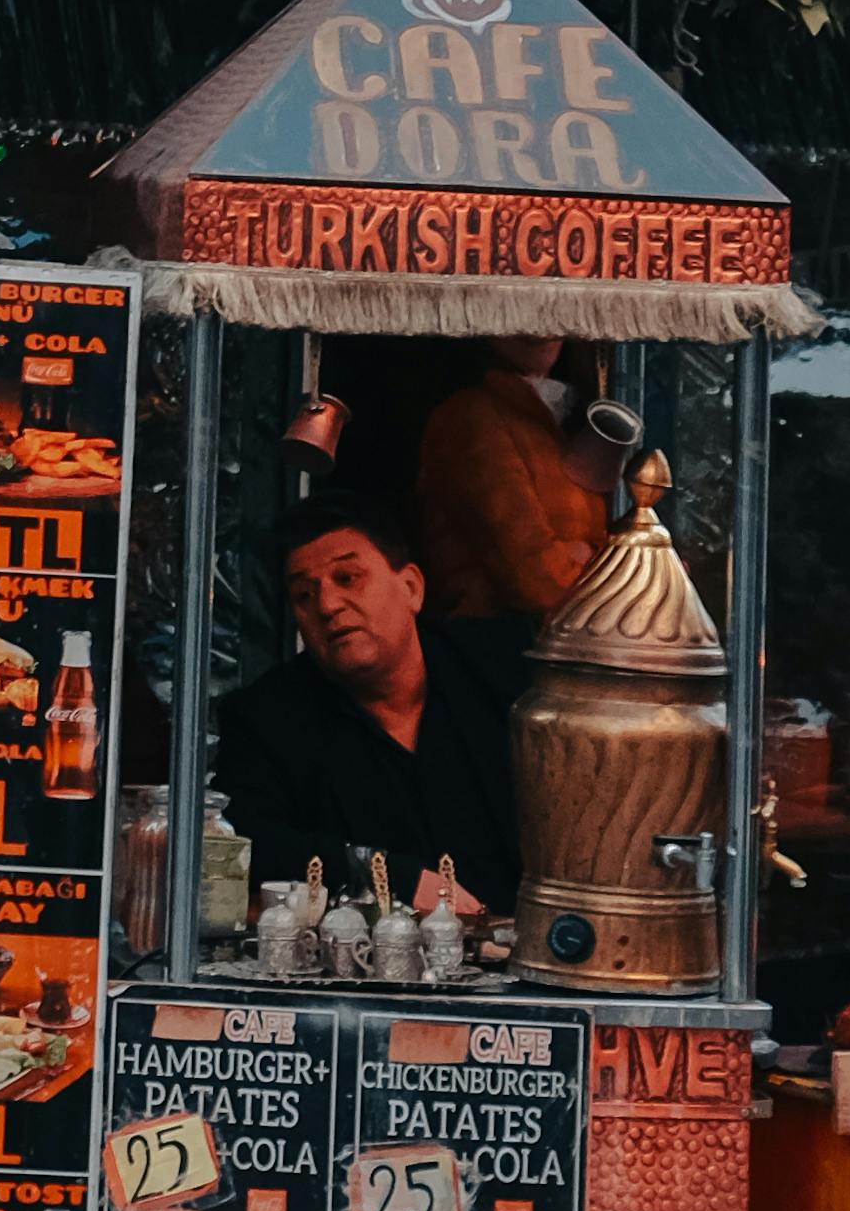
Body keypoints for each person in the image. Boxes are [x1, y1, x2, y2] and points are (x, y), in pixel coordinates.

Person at [216, 478, 523, 909]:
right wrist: (389, 878)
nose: (327, 605)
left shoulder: (499, 673)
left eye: (348, 577)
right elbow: (241, 841)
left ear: (412, 588)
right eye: (305, 594)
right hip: (364, 967)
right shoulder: (269, 717)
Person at [413, 340, 621, 622]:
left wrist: (593, 555)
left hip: (577, 638)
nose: (540, 330)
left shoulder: (572, 416)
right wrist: (620, 573)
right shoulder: (472, 417)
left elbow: (607, 542)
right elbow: (538, 581)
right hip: (499, 647)